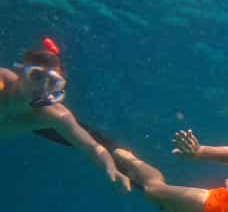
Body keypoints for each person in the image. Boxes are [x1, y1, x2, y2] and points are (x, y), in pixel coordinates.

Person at [0, 38, 131, 192]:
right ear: (21, 72)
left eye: (53, 81)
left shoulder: (54, 115)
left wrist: (110, 167)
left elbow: (91, 146)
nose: (43, 86)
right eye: (36, 76)